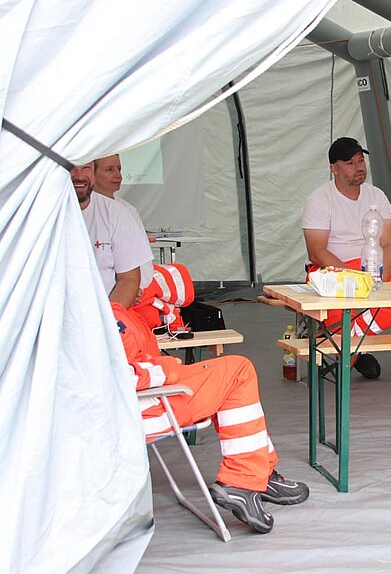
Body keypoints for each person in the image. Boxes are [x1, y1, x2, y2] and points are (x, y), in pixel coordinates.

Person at [113, 302, 308, 533]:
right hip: (145, 405)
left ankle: (258, 474)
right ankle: (244, 481)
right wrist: (166, 369)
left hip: (142, 397)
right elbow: (118, 376)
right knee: (238, 375)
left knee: (234, 372)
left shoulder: (91, 306)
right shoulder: (86, 317)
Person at [301, 137, 391, 379]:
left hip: (374, 266)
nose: (359, 167)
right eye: (351, 163)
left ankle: (348, 344)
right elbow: (317, 251)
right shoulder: (319, 199)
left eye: (361, 161)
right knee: (344, 309)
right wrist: (355, 278)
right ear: (334, 168)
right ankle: (353, 348)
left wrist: (381, 278)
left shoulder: (376, 195)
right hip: (333, 270)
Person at [93, 154, 194, 333]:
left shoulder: (128, 210)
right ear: (91, 173)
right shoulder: (80, 210)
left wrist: (134, 289)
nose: (117, 175)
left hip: (130, 297)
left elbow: (144, 269)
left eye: (119, 169)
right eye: (109, 170)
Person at [72, 162, 153, 308]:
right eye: (70, 168)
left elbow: (129, 280)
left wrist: (109, 321)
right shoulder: (37, 212)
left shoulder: (116, 212)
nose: (79, 176)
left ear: (93, 173)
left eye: (86, 168)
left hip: (105, 316)